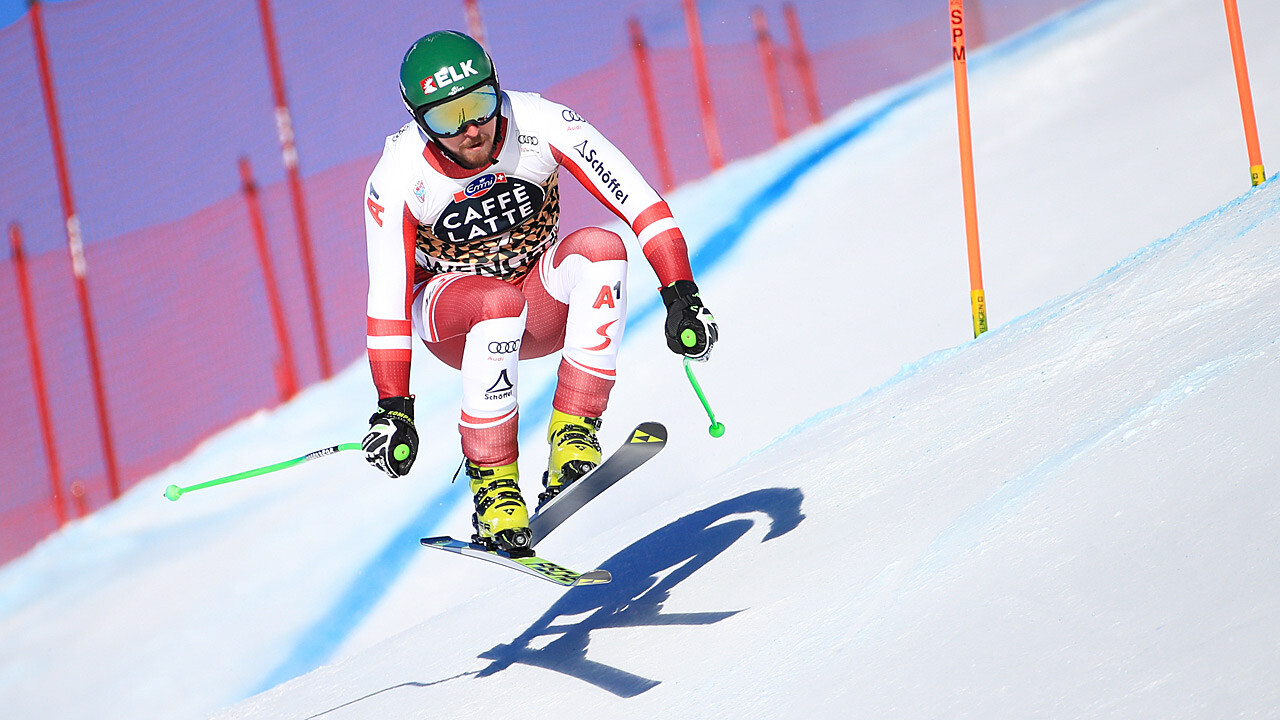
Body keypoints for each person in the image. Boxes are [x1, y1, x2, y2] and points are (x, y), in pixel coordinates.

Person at [360, 31, 718, 555]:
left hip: (539, 300)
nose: (472, 130)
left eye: (480, 106)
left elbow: (639, 199)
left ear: (497, 90)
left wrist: (681, 292)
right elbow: (387, 303)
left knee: (601, 246)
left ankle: (574, 429)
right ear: (419, 122)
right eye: (447, 120)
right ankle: (493, 484)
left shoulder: (540, 122)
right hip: (452, 318)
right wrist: (394, 407)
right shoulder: (398, 175)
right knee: (495, 303)